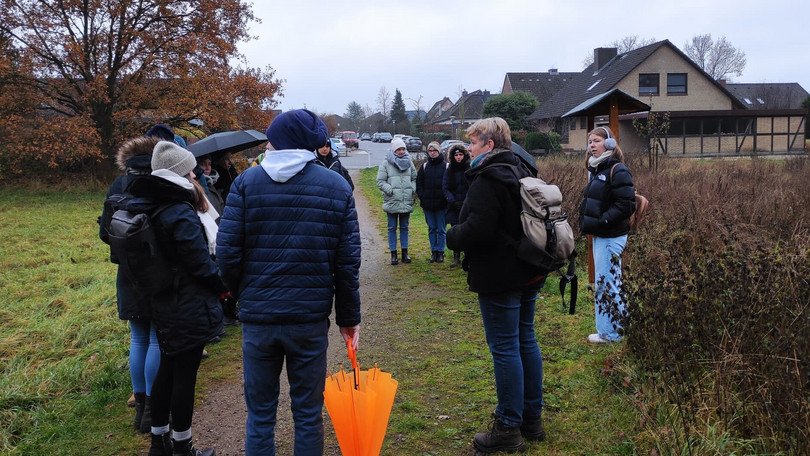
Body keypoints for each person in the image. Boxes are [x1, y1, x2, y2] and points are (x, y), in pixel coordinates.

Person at [216, 109, 361, 455]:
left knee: (260, 414)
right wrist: (348, 319)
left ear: (277, 140)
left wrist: (245, 295)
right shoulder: (336, 186)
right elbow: (347, 264)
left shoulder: (245, 183)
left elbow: (227, 254)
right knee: (308, 414)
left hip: (259, 319)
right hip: (308, 321)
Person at [446, 117, 547, 454]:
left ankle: (507, 427)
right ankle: (531, 419)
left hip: (500, 275)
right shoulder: (521, 168)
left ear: (489, 145)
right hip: (529, 269)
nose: (468, 148)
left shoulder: (489, 177)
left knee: (505, 348)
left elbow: (478, 229)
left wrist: (452, 236)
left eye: (473, 143)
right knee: (525, 340)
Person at [123, 140, 225, 456]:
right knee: (184, 376)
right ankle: (183, 446)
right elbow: (198, 262)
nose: (195, 174)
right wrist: (223, 286)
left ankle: (160, 442)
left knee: (167, 369)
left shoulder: (146, 201)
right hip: (187, 302)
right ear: (180, 173)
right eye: (190, 169)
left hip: (161, 298)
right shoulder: (178, 209)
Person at [99, 134, 162, 434]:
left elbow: (105, 233)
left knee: (138, 338)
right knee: (157, 338)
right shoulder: (161, 184)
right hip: (158, 271)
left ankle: (140, 411)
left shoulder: (118, 185)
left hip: (127, 272)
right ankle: (153, 410)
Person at [579, 126, 636, 344]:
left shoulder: (618, 170)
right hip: (601, 235)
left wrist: (602, 220)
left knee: (608, 283)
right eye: (590, 142)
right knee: (608, 282)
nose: (592, 146)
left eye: (596, 141)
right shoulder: (597, 169)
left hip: (611, 236)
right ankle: (614, 329)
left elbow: (626, 204)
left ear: (609, 144)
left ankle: (611, 334)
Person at [376, 138, 417, 265]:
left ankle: (405, 253)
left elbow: (414, 178)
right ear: (394, 150)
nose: (401, 151)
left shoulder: (409, 162)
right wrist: (390, 190)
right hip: (392, 200)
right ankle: (393, 254)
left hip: (405, 200)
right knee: (392, 228)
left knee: (404, 227)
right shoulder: (386, 163)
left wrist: (412, 189)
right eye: (399, 149)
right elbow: (380, 181)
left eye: (403, 149)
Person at [416, 141, 448, 263]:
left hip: (442, 204)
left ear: (439, 152)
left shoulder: (446, 166)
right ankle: (433, 251)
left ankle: (441, 252)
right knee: (432, 228)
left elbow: (449, 184)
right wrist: (422, 196)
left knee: (441, 229)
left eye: (435, 150)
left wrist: (446, 198)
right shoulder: (424, 167)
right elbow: (419, 184)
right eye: (430, 151)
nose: (432, 153)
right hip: (428, 204)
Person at [442, 143, 470, 267]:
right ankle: (456, 256)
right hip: (453, 206)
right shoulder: (449, 170)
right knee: (455, 231)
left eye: (460, 155)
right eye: (456, 155)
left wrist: (466, 201)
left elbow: (472, 186)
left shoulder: (469, 169)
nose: (458, 157)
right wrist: (452, 201)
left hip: (466, 205)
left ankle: (467, 256)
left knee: (467, 230)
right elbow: (445, 187)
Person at [195, 154, 226, 219]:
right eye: (202, 164)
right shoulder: (197, 188)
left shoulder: (212, 185)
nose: (207, 168)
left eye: (209, 164)